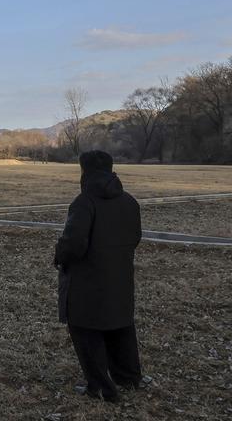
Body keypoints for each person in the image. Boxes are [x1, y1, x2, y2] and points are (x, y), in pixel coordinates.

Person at [54, 150, 144, 403]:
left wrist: (59, 255)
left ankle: (102, 387)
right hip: (120, 276)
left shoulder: (84, 202)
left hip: (87, 281)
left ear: (85, 172)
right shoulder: (129, 201)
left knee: (85, 330)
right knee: (121, 325)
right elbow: (135, 237)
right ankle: (128, 376)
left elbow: (73, 243)